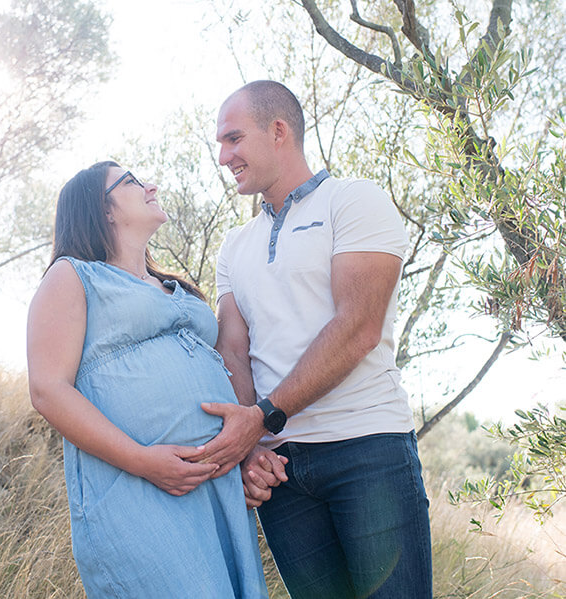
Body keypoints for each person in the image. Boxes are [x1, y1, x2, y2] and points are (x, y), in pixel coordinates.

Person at [194, 81, 432, 598]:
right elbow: (232, 348)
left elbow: (358, 327)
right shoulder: (235, 245)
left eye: (233, 139)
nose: (223, 156)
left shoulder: (355, 201)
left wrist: (261, 417)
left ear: (278, 131)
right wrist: (252, 443)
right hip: (282, 475)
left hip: (366, 450)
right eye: (220, 143)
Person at [26, 161, 277, 598]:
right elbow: (48, 390)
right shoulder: (73, 276)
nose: (151, 185)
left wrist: (245, 448)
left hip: (214, 487)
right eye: (132, 182)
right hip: (137, 488)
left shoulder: (174, 286)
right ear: (102, 210)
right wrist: (144, 462)